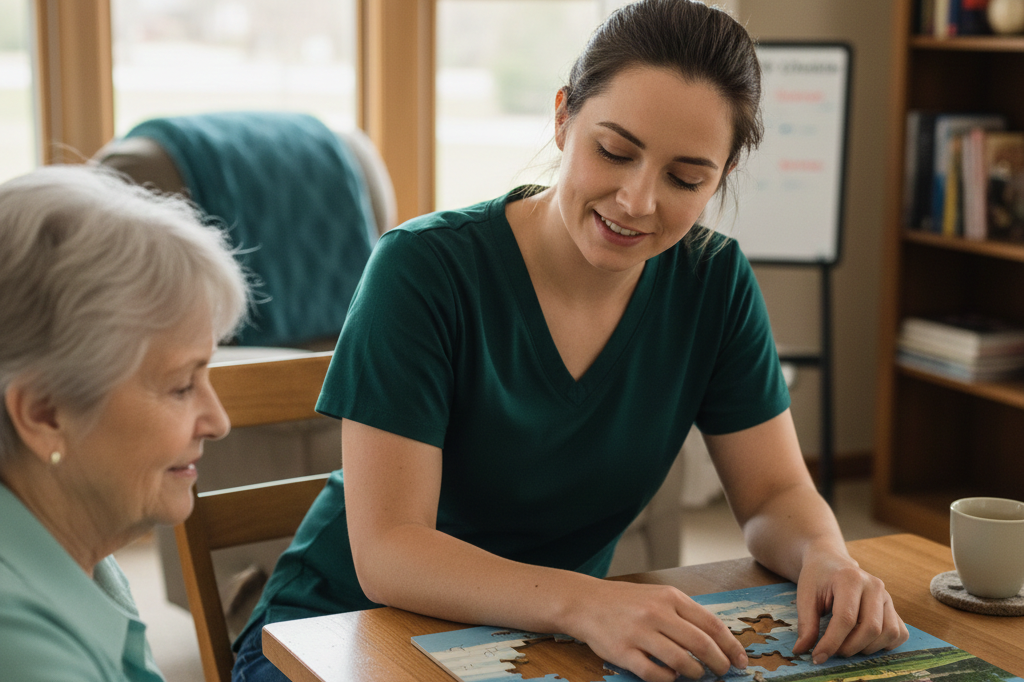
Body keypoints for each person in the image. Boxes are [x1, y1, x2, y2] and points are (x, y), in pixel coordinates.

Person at [233, 1, 909, 681]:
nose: (637, 201)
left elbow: (771, 496)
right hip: (338, 636)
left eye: (685, 178)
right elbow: (389, 551)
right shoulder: (422, 270)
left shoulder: (714, 282)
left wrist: (827, 555)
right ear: (563, 118)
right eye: (614, 151)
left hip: (542, 648)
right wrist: (586, 602)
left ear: (724, 175)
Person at [0, 165, 248, 681]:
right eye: (182, 385)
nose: (219, 422)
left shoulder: (78, 548)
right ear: (45, 413)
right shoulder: (20, 646)